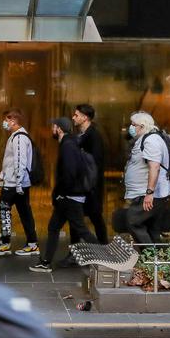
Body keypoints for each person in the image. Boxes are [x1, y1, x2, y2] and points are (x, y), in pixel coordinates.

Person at [30, 118, 98, 273]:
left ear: (59, 129)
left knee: (81, 230)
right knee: (53, 227)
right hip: (69, 196)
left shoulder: (67, 146)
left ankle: (107, 258)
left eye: (54, 126)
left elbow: (70, 173)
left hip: (70, 197)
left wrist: (62, 194)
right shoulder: (70, 144)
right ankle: (46, 262)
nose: (52, 129)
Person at [0, 109, 39, 257]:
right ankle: (32, 244)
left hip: (15, 183)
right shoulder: (15, 136)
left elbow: (20, 161)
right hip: (15, 182)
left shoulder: (19, 138)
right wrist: (2, 176)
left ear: (14, 121)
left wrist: (17, 183)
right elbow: (9, 161)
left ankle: (5, 243)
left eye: (7, 120)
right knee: (24, 212)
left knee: (3, 208)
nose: (5, 123)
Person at [122, 112, 170, 245]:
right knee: (152, 229)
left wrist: (149, 193)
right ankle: (156, 262)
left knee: (132, 220)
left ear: (142, 126)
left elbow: (154, 167)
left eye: (133, 125)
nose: (131, 128)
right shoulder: (147, 139)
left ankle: (150, 257)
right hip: (149, 193)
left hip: (149, 194)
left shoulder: (151, 140)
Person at [72, 104, 107, 244]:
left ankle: (104, 247)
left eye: (76, 115)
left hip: (90, 186)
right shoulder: (82, 135)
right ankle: (76, 251)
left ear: (85, 117)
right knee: (78, 217)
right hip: (84, 185)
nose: (73, 117)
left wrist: (89, 184)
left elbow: (95, 163)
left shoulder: (93, 136)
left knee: (95, 217)